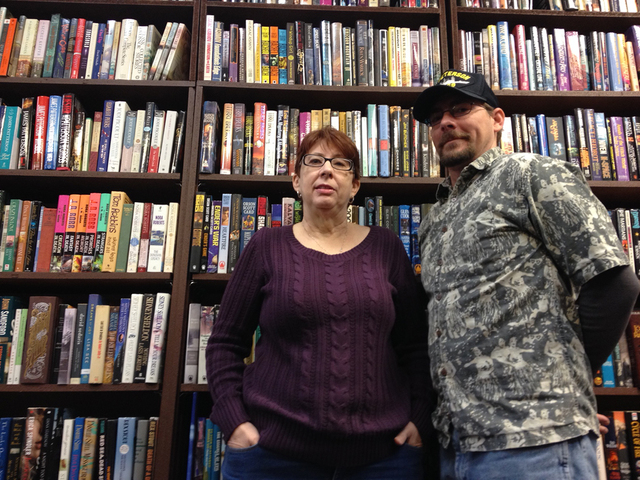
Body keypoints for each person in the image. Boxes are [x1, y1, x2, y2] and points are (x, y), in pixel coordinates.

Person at [413, 69, 640, 479]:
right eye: (435, 118)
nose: (445, 122)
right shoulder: (434, 220)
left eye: (461, 109)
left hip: (535, 444)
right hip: (456, 444)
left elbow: (614, 282)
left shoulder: (531, 174)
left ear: (497, 119)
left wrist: (560, 381)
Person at [206, 126, 434, 479]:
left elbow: (415, 346)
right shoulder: (266, 246)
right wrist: (235, 422)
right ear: (296, 181)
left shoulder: (386, 246)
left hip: (383, 458)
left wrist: (419, 419)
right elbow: (225, 343)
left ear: (355, 185)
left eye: (340, 163)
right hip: (272, 457)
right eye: (314, 161)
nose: (327, 170)